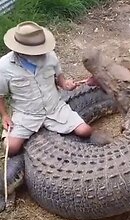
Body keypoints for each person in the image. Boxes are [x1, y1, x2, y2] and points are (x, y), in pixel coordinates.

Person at [0, 21, 93, 156]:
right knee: (10, 148)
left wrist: (68, 85)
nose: (41, 53)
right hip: (26, 115)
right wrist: (5, 116)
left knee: (85, 131)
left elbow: (62, 82)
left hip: (54, 108)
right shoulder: (4, 67)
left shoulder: (51, 57)